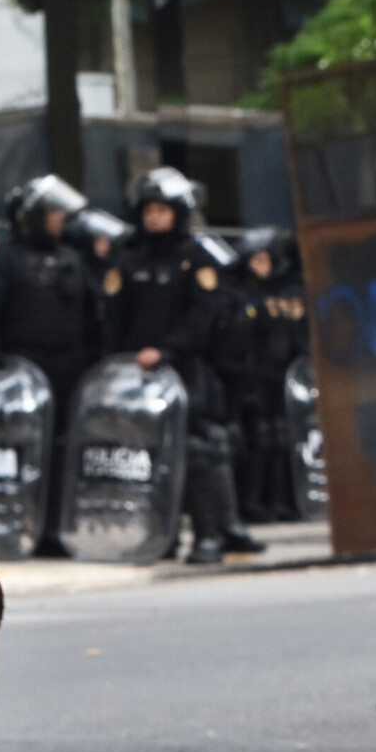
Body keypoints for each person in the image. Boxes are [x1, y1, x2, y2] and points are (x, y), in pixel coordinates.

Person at [102, 166, 262, 564]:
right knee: (151, 455)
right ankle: (164, 536)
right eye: (149, 210)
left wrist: (169, 349)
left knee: (200, 452)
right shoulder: (128, 256)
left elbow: (205, 314)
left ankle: (210, 535)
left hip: (186, 369)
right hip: (139, 374)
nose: (155, 217)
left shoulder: (195, 257)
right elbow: (112, 313)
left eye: (163, 210)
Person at [0, 174, 95, 553]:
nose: (59, 219)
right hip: (19, 369)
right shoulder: (6, 257)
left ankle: (51, 529)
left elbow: (91, 313)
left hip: (63, 368)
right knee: (16, 451)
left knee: (58, 450)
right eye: (52, 213)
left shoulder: (70, 258)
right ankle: (8, 527)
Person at [236, 227, 309, 521]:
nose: (261, 267)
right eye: (255, 261)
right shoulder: (244, 293)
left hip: (286, 377)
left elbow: (300, 336)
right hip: (255, 377)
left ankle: (285, 501)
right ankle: (255, 500)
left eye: (266, 260)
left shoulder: (293, 294)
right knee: (260, 439)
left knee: (285, 438)